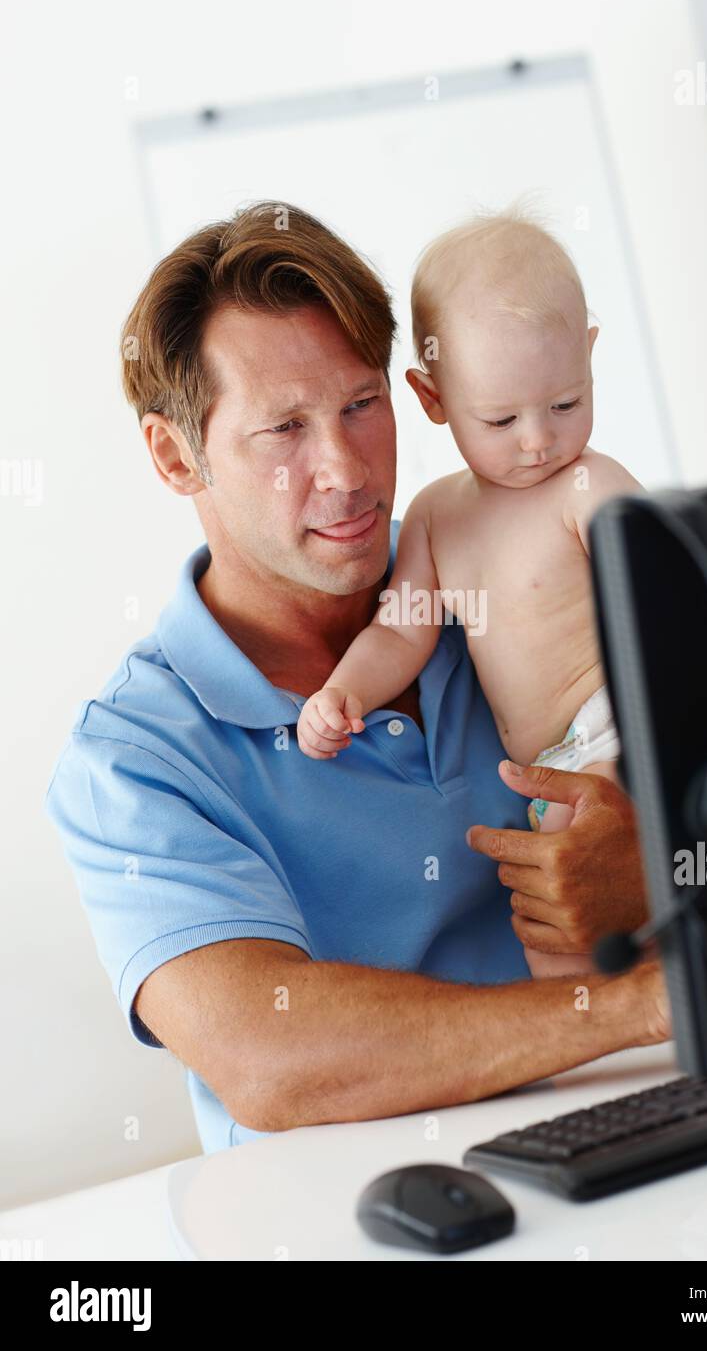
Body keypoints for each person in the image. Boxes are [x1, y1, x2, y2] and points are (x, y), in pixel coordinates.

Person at [44, 201, 670, 1154]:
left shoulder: (507, 584)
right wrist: (634, 1006)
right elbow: (268, 1055)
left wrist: (660, 867)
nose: (345, 469)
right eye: (283, 429)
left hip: (642, 1156)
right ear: (178, 457)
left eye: (359, 404)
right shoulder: (131, 762)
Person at [296, 208, 641, 978]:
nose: (538, 439)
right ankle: (610, 1085)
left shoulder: (588, 486)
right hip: (549, 768)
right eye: (500, 417)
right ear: (432, 397)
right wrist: (344, 692)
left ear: (589, 356)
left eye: (565, 403)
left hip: (621, 726)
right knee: (551, 935)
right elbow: (401, 632)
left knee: (633, 896)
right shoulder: (435, 517)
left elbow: (669, 593)